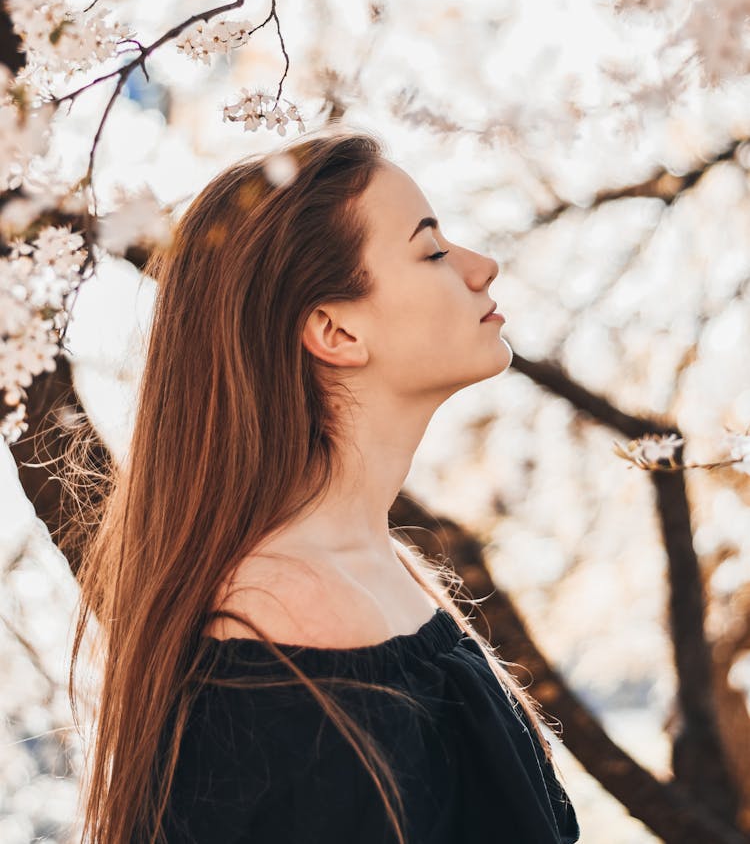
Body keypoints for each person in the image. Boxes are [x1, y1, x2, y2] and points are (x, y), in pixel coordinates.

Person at [67, 125, 580, 843]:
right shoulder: (270, 645)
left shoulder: (387, 568)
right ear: (334, 331)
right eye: (431, 250)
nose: (482, 265)